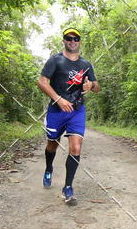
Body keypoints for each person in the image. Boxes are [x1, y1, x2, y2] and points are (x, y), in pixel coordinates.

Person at [37, 28, 100, 205]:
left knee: (75, 148)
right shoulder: (55, 60)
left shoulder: (86, 64)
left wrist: (90, 86)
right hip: (56, 111)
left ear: (80, 41)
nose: (72, 41)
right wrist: (59, 100)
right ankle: (48, 168)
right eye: (69, 38)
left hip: (77, 111)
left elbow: (97, 87)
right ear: (64, 40)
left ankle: (68, 187)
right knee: (52, 144)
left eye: (76, 38)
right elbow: (42, 82)